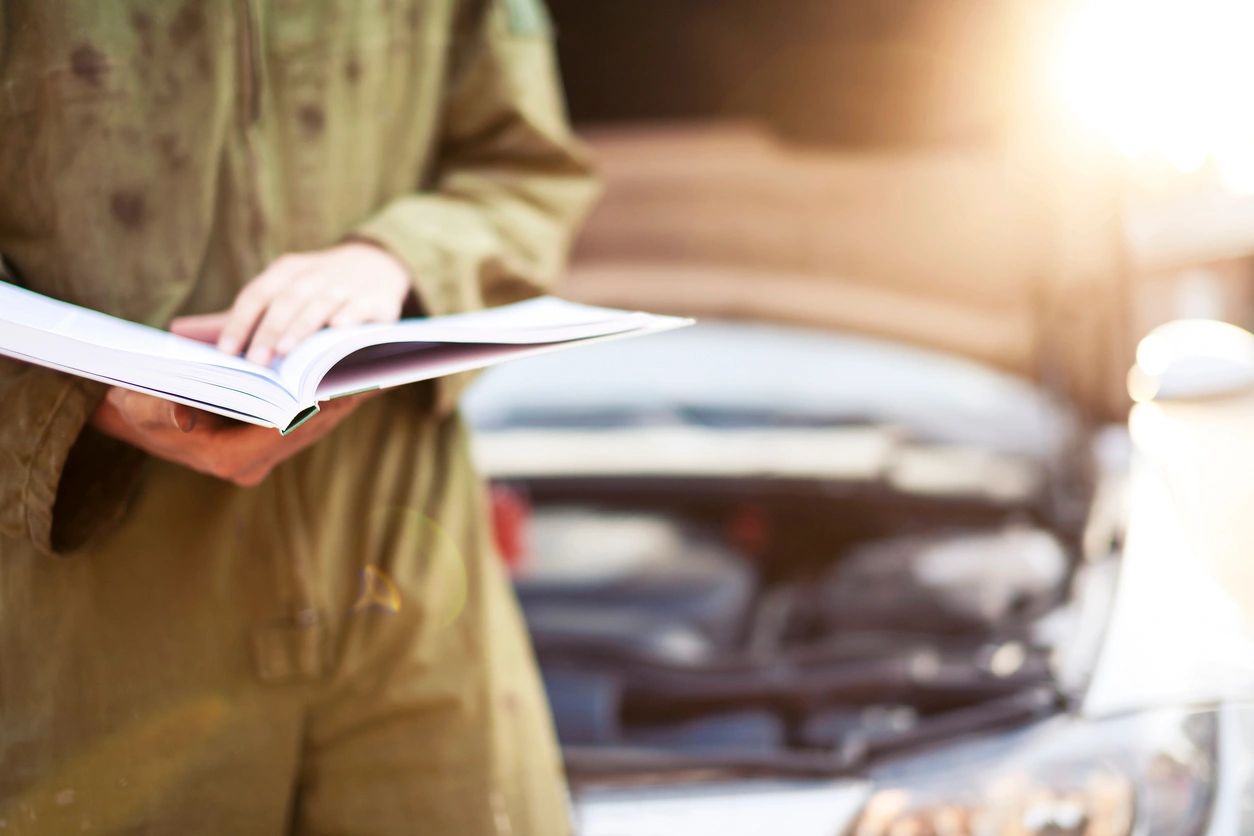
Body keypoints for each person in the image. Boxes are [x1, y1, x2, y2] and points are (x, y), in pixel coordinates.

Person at [0, 1, 597, 832]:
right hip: (82, 656)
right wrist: (71, 401)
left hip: (418, 622)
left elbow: (527, 171)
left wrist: (396, 257)